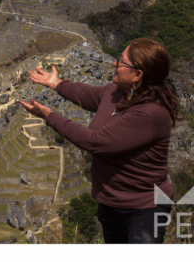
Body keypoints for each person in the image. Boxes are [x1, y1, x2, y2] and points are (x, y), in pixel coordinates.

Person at [20, 38, 184, 244]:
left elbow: (95, 142)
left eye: (121, 61)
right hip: (111, 202)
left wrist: (50, 116)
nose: (114, 64)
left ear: (137, 74)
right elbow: (87, 95)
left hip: (145, 208)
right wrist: (56, 83)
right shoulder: (118, 93)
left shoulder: (150, 113)